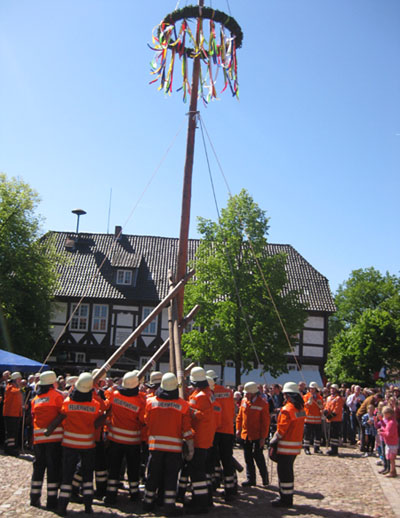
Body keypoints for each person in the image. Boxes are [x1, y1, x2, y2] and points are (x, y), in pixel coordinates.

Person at [46, 372, 103, 516]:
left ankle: (62, 506)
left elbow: (62, 418)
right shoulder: (95, 405)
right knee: (88, 477)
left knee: (67, 476)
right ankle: (88, 507)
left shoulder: (67, 403)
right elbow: (96, 423)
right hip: (87, 445)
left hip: (69, 444)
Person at [143, 372, 193, 516]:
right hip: (174, 449)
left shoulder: (150, 402)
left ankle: (148, 503)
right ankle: (169, 505)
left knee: (153, 475)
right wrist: (190, 447)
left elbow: (146, 421)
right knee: (171, 477)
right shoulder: (183, 405)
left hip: (155, 447)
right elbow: (186, 429)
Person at [178, 366, 215, 514]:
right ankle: (203, 499)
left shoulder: (202, 396)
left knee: (197, 472)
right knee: (199, 471)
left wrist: (188, 409)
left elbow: (202, 415)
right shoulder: (206, 393)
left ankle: (200, 503)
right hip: (204, 437)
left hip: (200, 438)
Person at [105, 371, 145, 504]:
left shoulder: (115, 395)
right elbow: (142, 420)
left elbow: (107, 406)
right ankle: (134, 494)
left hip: (115, 439)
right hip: (132, 441)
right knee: (133, 468)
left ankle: (110, 495)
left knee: (114, 468)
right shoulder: (139, 400)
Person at [30, 371, 64, 509]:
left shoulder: (35, 399)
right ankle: (51, 500)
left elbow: (33, 416)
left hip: (38, 440)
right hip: (54, 439)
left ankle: (34, 498)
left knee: (38, 469)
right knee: (53, 470)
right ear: (52, 383)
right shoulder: (57, 396)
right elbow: (63, 413)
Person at [269, 382, 305, 507]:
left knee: (284, 474)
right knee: (288, 473)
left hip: (285, 447)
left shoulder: (287, 409)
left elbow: (282, 430)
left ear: (287, 395)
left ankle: (284, 499)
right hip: (295, 447)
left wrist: (273, 440)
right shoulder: (300, 408)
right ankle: (287, 497)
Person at [206, 369, 236, 501]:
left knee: (212, 459)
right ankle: (230, 489)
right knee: (227, 460)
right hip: (228, 430)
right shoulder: (229, 392)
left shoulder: (210, 393)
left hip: (215, 430)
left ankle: (213, 484)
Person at [236, 381, 270, 487]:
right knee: (248, 458)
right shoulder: (244, 401)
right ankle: (251, 479)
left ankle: (265, 478)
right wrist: (238, 429)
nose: (245, 394)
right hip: (246, 435)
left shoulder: (263, 404)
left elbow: (265, 423)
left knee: (259, 458)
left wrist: (263, 437)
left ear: (253, 393)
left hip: (257, 436)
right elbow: (240, 417)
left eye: (247, 393)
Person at [3, 371, 23, 456]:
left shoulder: (16, 388)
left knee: (14, 432)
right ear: (14, 380)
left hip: (16, 414)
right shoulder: (10, 387)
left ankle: (10, 447)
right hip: (10, 414)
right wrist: (22, 389)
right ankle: (9, 449)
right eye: (18, 379)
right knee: (11, 432)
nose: (20, 381)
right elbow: (15, 391)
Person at [303, 381, 323, 454]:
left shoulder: (319, 397)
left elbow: (321, 407)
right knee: (307, 435)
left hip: (317, 420)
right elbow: (304, 406)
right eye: (311, 388)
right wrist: (309, 402)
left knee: (317, 435)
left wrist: (320, 405)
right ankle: (306, 448)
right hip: (308, 419)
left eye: (313, 389)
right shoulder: (306, 396)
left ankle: (316, 448)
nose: (312, 390)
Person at [378, 406, 399, 478]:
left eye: (384, 414)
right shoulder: (391, 421)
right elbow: (387, 430)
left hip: (391, 443)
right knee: (391, 458)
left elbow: (389, 434)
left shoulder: (391, 423)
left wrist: (381, 433)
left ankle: (392, 472)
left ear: (388, 414)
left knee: (391, 459)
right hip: (390, 442)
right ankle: (393, 471)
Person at [324, 384, 344, 456]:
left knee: (335, 435)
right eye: (331, 389)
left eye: (333, 389)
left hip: (336, 419)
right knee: (330, 434)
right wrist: (325, 412)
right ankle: (332, 448)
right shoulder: (328, 398)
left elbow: (337, 409)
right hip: (329, 420)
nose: (332, 390)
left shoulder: (338, 398)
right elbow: (326, 406)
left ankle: (334, 449)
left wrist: (330, 416)